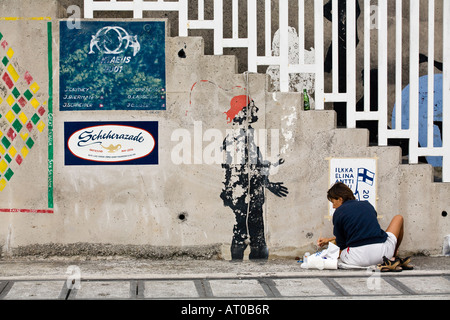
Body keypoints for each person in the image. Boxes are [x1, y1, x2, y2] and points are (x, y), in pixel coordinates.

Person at [317, 182, 413, 271]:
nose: (333, 206)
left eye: (333, 202)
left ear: (340, 199)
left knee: (338, 252)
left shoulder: (339, 213)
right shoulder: (367, 205)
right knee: (398, 218)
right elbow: (364, 233)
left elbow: (342, 244)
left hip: (357, 259)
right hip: (383, 253)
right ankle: (392, 257)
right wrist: (328, 240)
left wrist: (330, 244)